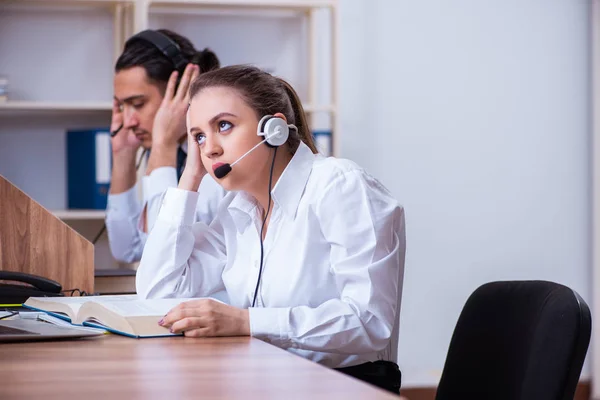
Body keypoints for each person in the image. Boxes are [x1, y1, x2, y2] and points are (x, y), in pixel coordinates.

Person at [136, 65, 406, 393]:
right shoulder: (238, 209)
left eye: (224, 126)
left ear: (274, 129)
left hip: (343, 388)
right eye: (198, 137)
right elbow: (158, 292)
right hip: (266, 382)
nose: (210, 148)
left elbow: (369, 322)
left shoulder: (340, 187)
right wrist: (190, 177)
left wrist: (245, 322)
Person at [106, 29, 227, 263]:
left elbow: (163, 256)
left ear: (184, 90)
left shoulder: (217, 157)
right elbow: (126, 250)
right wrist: (122, 155)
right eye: (122, 107)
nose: (128, 121)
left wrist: (163, 144)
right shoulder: (170, 155)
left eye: (138, 104)